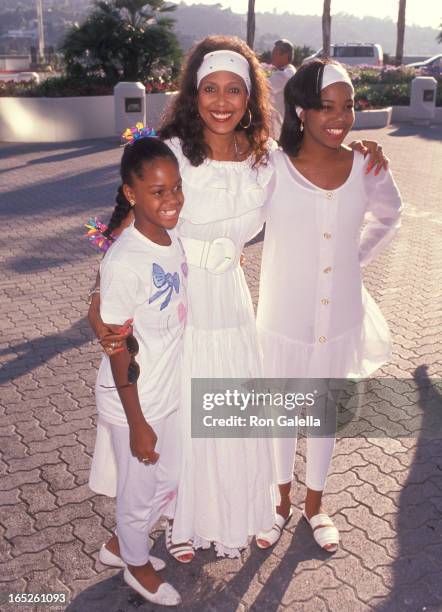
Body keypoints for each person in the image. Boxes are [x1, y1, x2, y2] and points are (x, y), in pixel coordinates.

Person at [88, 37, 388, 561]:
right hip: (177, 301)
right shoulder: (174, 154)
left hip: (231, 299)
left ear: (250, 98)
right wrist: (99, 296)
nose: (221, 101)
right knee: (180, 413)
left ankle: (223, 513)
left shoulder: (265, 160)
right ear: (192, 94)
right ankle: (181, 521)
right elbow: (128, 219)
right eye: (210, 89)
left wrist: (360, 151)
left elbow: (316, 173)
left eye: (234, 90)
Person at [255, 59, 402, 552]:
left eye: (348, 106)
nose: (340, 117)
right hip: (282, 315)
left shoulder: (366, 165)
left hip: (338, 316)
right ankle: (278, 504)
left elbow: (390, 215)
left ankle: (315, 505)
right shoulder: (271, 168)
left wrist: (350, 262)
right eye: (327, 107)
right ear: (301, 110)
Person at [88, 135, 187, 605]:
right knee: (139, 491)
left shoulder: (169, 237)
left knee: (167, 480)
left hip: (165, 388)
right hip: (135, 399)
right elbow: (119, 349)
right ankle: (136, 565)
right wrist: (138, 423)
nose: (171, 201)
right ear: (132, 194)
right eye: (158, 192)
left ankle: (118, 547)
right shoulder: (126, 260)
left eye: (176, 188)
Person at [267, 39, 296, 139]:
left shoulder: (285, 74)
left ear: (284, 55)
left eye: (275, 53)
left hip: (280, 131)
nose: (272, 56)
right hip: (279, 129)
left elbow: (263, 86)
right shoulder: (284, 71)